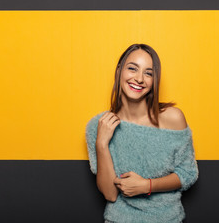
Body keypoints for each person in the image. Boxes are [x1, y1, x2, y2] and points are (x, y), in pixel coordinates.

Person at [85, 43, 199, 223]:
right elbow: (110, 194)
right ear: (119, 71)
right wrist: (102, 144)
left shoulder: (173, 118)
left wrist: (148, 185)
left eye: (148, 73)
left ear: (154, 80)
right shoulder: (98, 125)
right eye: (132, 69)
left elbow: (188, 173)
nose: (139, 78)